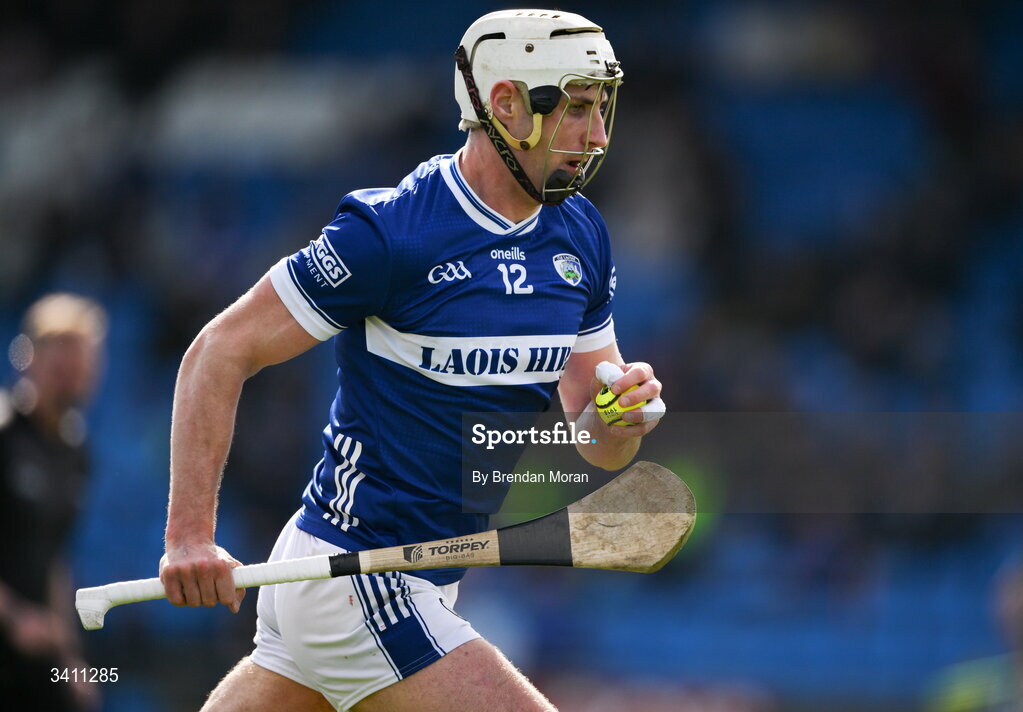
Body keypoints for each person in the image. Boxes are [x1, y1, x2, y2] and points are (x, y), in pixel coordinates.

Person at [159, 10, 664, 712]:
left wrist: (619, 421)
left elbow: (594, 438)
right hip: (355, 570)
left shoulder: (578, 235)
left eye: (601, 108)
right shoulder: (392, 235)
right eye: (576, 108)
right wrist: (188, 535)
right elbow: (219, 349)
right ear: (506, 105)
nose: (599, 135)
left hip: (412, 579)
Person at [0, 293, 107, 711]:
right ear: (30, 358)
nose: (72, 379)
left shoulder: (75, 452)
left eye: (80, 368)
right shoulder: (6, 435)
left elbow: (53, 560)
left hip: (36, 643)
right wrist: (12, 618)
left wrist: (70, 661)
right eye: (61, 367)